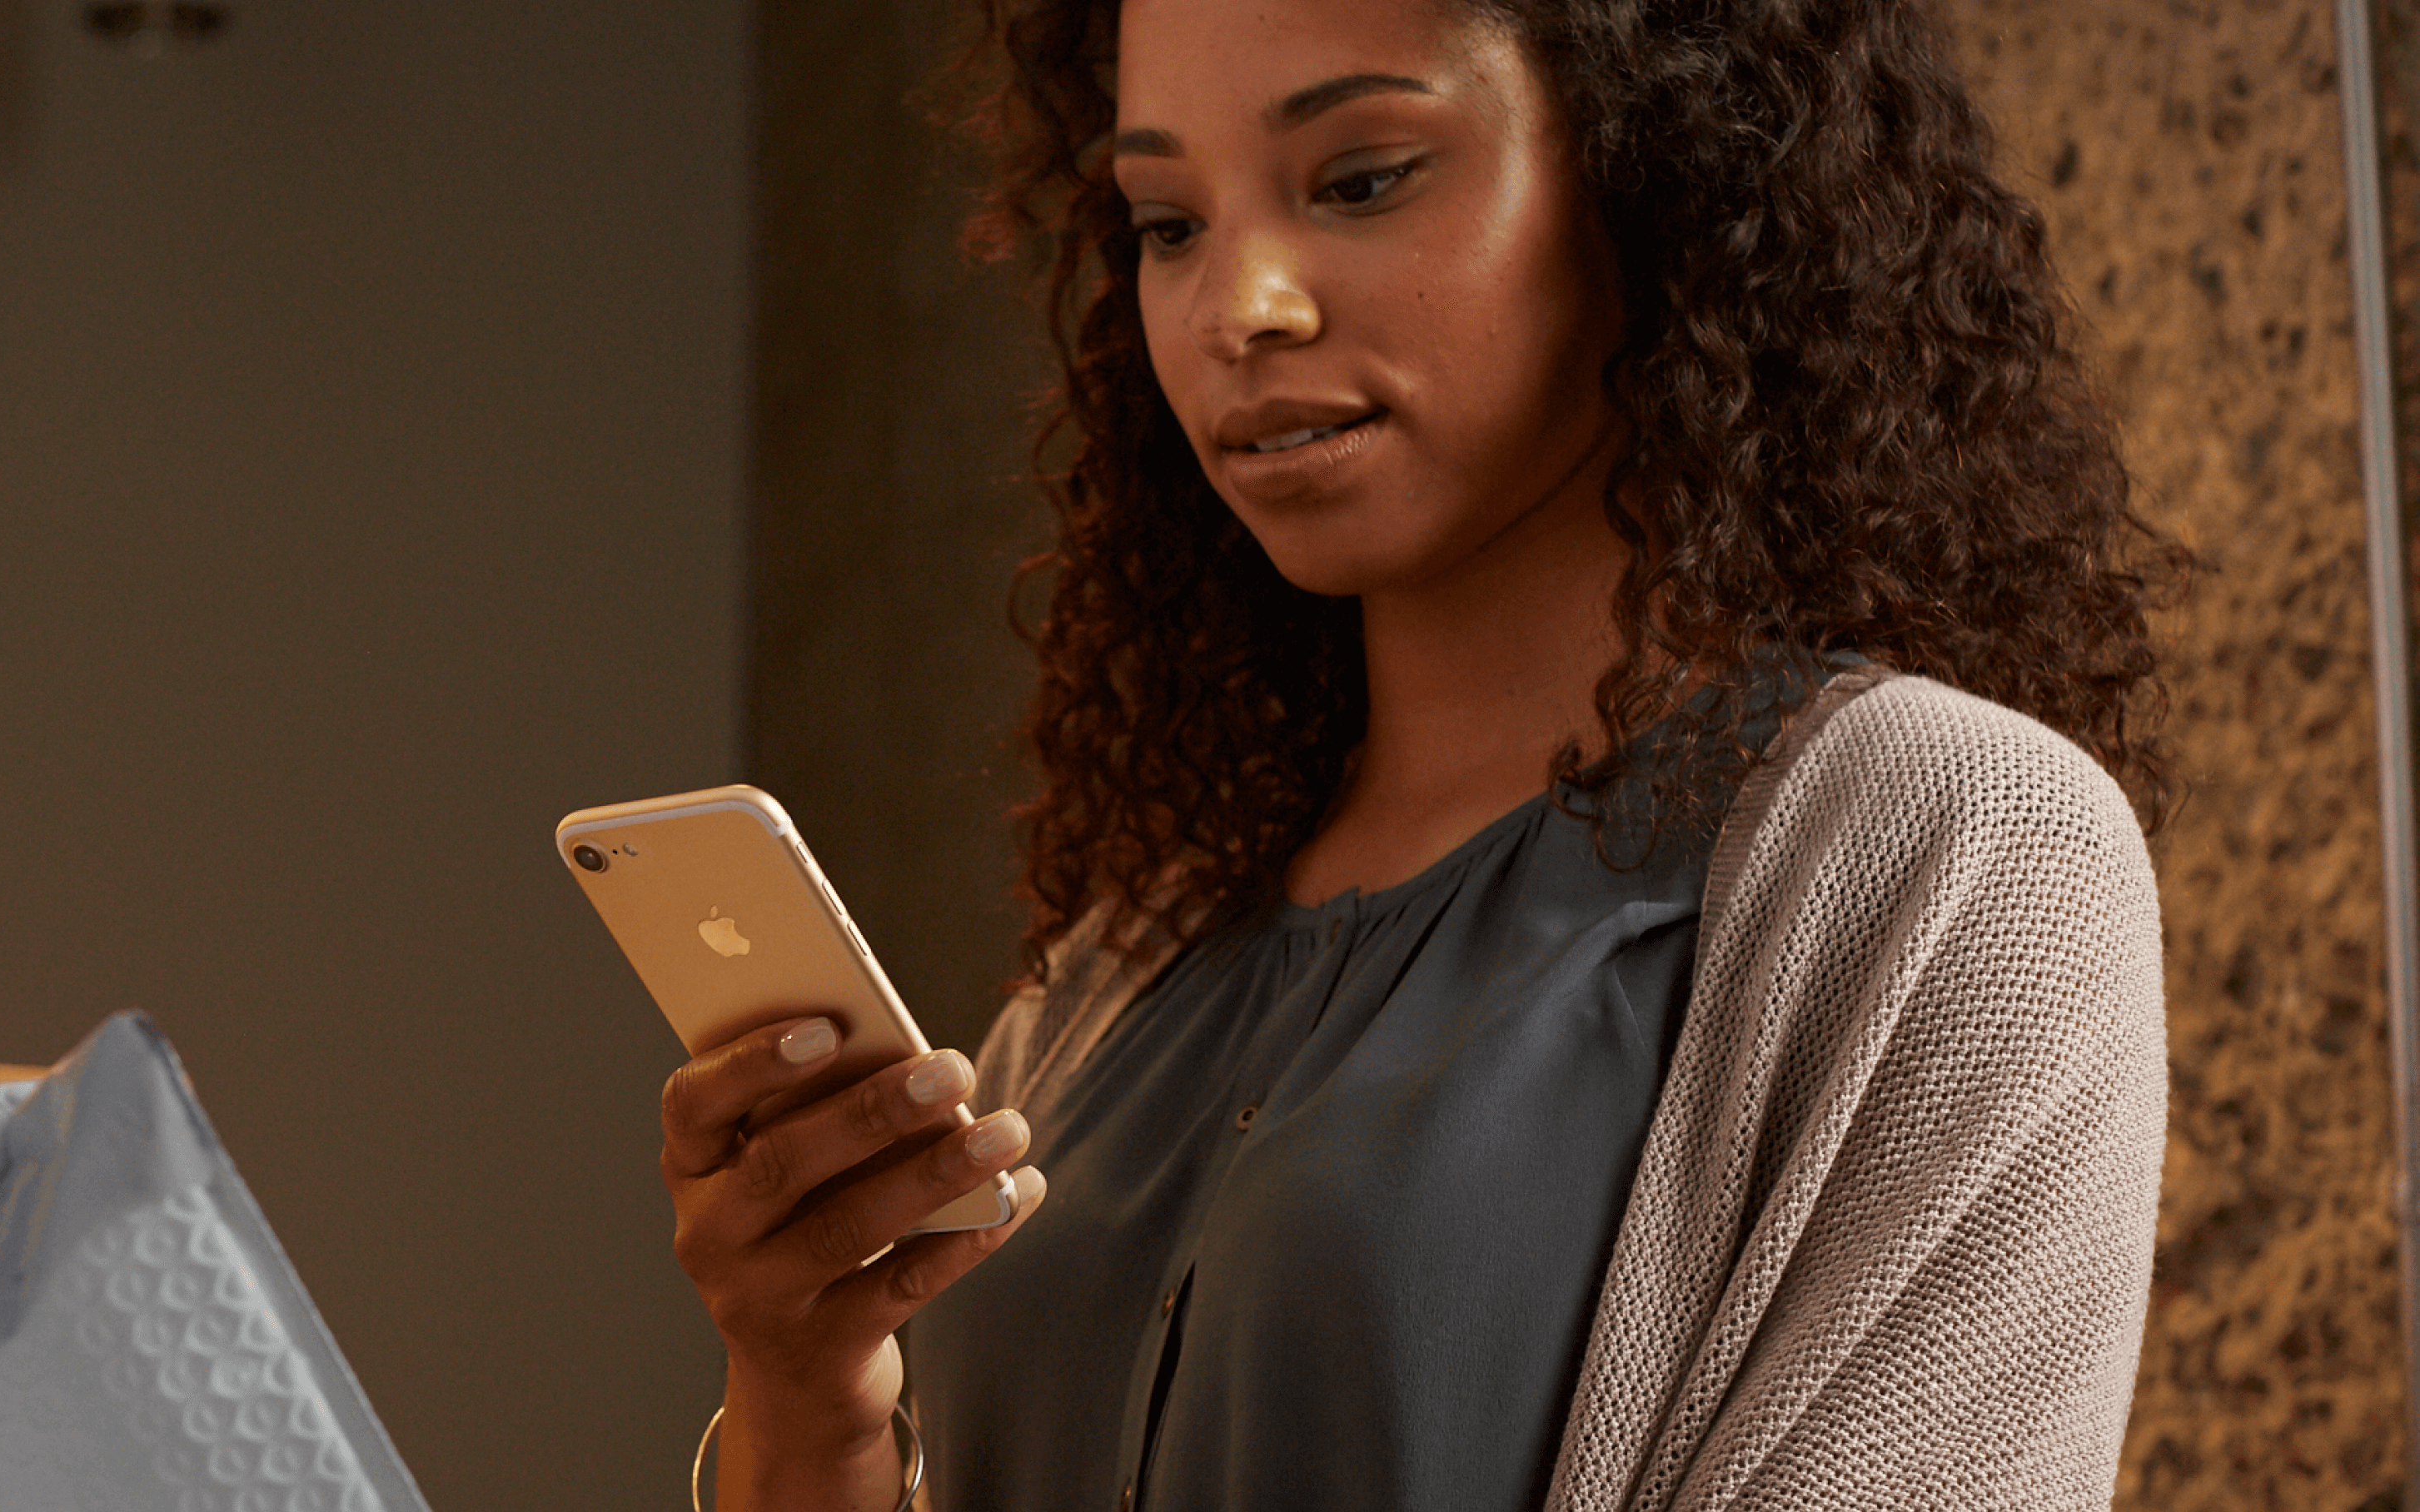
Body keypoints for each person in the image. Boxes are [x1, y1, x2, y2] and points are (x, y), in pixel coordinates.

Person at [655, 0, 2190, 1507]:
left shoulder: (1964, 858)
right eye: (1168, 221)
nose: (1238, 305)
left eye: (1363, 179)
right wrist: (813, 1409)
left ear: (1655, 169)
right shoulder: (1127, 968)